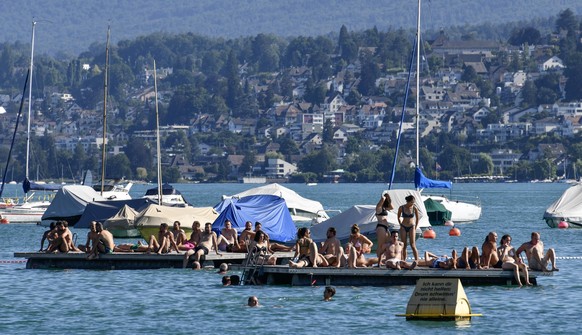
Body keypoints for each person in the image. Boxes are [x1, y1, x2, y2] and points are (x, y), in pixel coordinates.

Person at [397, 195, 420, 260]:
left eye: (413, 202)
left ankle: (417, 260)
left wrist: (415, 226)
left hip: (411, 226)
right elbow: (398, 216)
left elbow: (417, 218)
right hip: (403, 226)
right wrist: (400, 224)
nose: (413, 203)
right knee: (404, 245)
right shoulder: (401, 207)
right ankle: (403, 260)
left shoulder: (414, 208)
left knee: (413, 245)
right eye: (412, 202)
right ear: (408, 201)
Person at [375, 193, 393, 265]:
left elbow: (392, 207)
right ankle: (379, 262)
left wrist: (388, 199)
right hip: (381, 227)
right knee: (381, 245)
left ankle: (384, 259)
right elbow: (382, 200)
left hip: (386, 228)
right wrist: (383, 197)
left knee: (388, 243)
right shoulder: (378, 208)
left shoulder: (385, 208)